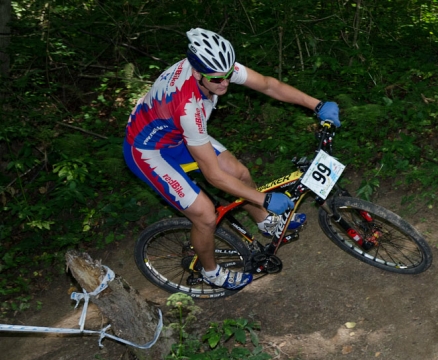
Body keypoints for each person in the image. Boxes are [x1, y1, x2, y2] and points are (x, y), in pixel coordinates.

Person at [123, 28, 340, 290]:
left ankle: (265, 221)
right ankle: (210, 271)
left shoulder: (214, 66)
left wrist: (317, 105)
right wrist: (265, 197)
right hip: (149, 151)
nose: (224, 84)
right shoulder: (188, 107)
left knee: (239, 173)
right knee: (205, 215)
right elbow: (214, 177)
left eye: (228, 76)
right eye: (216, 80)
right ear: (196, 72)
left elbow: (268, 85)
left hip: (177, 135)